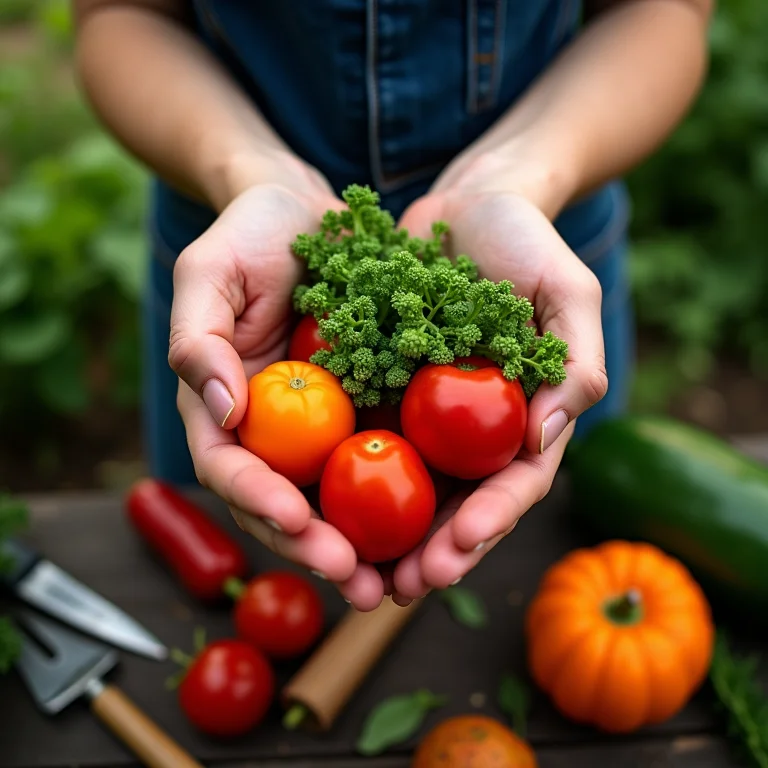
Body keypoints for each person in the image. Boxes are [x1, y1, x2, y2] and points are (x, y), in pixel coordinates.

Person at [72, 0, 713, 611]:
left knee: (572, 560)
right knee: (217, 561)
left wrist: (518, 177)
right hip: (241, 270)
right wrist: (252, 173)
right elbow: (120, 14)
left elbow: (663, 11)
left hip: (540, 245)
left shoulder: (508, 315)